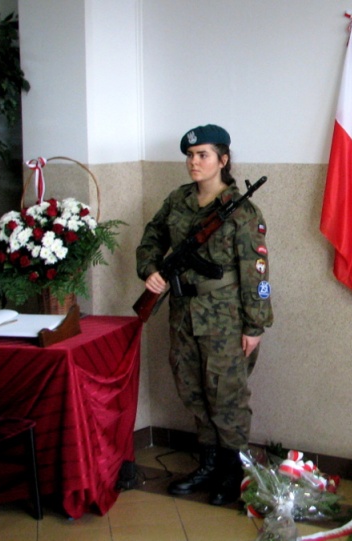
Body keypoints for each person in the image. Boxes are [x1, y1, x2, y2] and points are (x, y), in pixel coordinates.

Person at [136, 124, 273, 506]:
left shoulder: (243, 211)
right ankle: (208, 464)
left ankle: (232, 473)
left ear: (223, 160)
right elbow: (151, 237)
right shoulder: (178, 200)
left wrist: (254, 324)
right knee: (192, 391)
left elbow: (256, 271)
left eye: (203, 155)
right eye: (190, 156)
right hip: (182, 313)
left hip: (225, 318)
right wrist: (149, 270)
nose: (194, 163)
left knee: (226, 396)